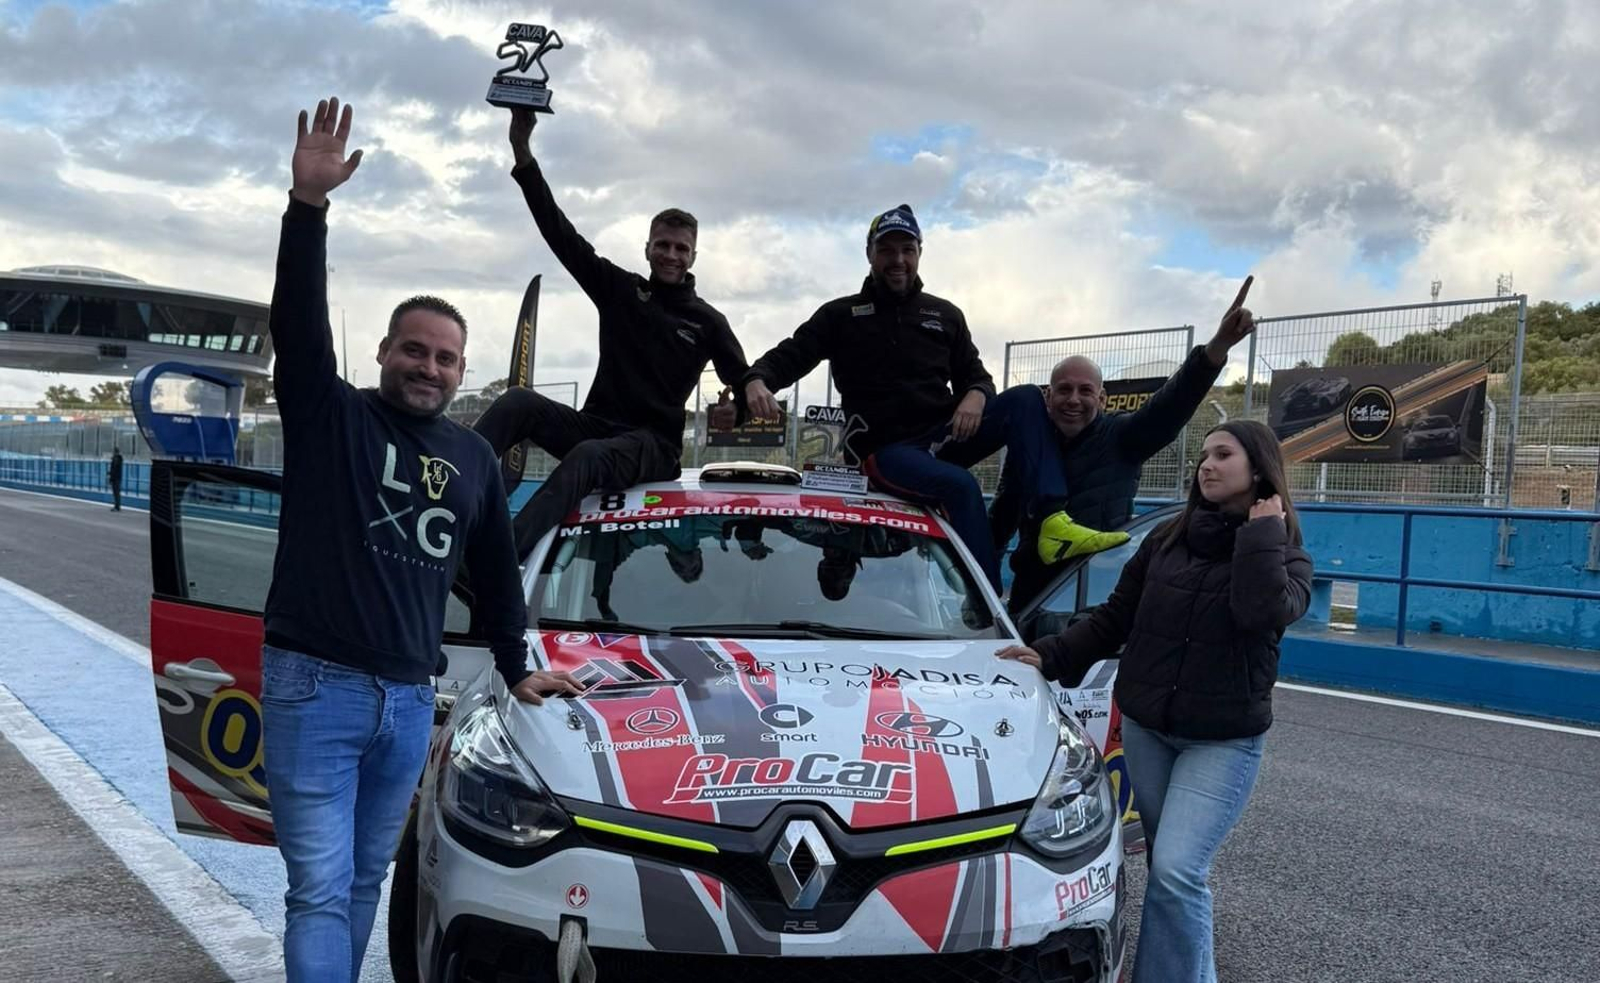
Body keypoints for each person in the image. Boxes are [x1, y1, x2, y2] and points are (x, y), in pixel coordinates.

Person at [260, 97, 579, 983]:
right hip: (312, 687)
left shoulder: (476, 457)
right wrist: (307, 207)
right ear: (383, 352)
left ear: (461, 371)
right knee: (319, 888)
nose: (427, 366)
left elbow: (495, 574)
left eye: (444, 357)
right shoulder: (331, 417)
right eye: (413, 349)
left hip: (408, 701)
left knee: (366, 876)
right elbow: (296, 325)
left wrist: (519, 666)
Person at [997, 420, 1312, 983]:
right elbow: (1115, 618)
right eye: (1204, 457)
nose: (1206, 466)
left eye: (1223, 455)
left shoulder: (1285, 554)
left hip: (1222, 741)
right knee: (1174, 873)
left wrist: (1261, 536)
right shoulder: (1168, 538)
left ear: (1259, 469)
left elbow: (1261, 613)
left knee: (1176, 870)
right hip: (1148, 730)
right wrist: (1048, 655)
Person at [473, 108, 752, 558]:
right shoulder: (621, 290)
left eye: (681, 248)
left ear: (694, 257)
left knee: (589, 455)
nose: (670, 255)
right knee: (517, 402)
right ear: (647, 248)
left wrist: (733, 411)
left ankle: (499, 560)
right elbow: (562, 236)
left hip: (654, 447)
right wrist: (523, 155)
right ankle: (443, 499)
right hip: (597, 427)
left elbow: (745, 383)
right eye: (662, 245)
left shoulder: (708, 322)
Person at [742, 204, 1002, 588]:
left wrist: (978, 392)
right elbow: (790, 355)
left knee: (1028, 400)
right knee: (962, 485)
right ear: (869, 254)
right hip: (888, 454)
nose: (898, 260)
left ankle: (1041, 519)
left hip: (944, 441)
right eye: (887, 250)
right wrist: (755, 380)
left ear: (919, 253)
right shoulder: (840, 315)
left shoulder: (945, 315)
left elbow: (976, 374)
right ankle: (987, 599)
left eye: (907, 249)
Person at [987, 277, 1259, 613]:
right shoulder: (1027, 449)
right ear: (1047, 396)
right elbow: (1001, 520)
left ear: (1101, 398)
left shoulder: (1123, 438)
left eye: (1085, 391)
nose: (1074, 399)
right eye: (1064, 389)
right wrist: (982, 587)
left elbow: (1173, 403)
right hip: (1033, 597)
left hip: (1098, 598)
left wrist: (1218, 346)